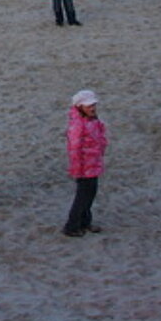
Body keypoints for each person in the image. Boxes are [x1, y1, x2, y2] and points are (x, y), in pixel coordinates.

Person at [62, 90, 106, 237]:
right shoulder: (78, 124)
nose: (92, 108)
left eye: (93, 105)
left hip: (93, 164)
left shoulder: (92, 120)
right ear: (80, 107)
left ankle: (85, 222)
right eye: (89, 106)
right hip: (84, 167)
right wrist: (77, 169)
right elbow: (74, 149)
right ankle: (71, 226)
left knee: (90, 195)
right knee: (82, 197)